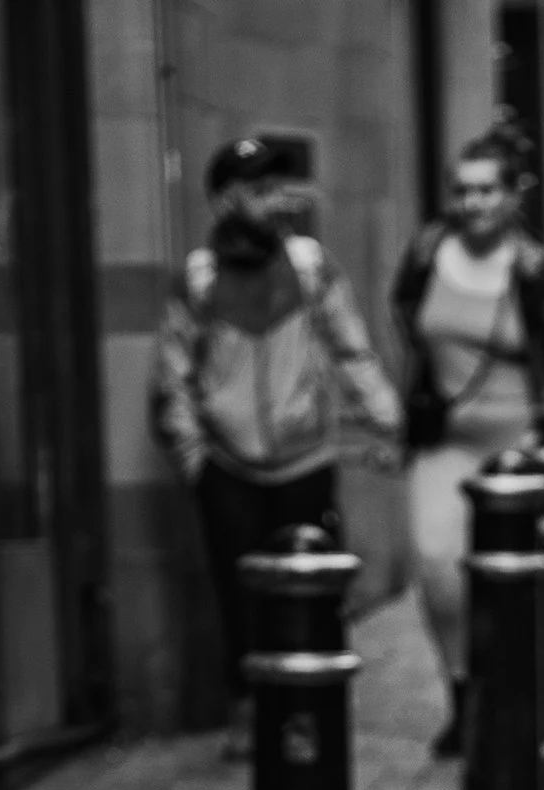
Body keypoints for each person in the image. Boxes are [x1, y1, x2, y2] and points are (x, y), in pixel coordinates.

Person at [151, 134, 401, 746]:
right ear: (225, 201)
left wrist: (388, 421)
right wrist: (195, 460)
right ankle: (249, 713)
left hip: (303, 461)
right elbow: (173, 374)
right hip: (228, 467)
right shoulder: (200, 278)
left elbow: (351, 350)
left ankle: (313, 710)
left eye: (276, 189)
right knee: (238, 594)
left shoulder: (312, 267)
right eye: (258, 191)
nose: (275, 203)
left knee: (311, 589)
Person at [390, 132, 544, 757]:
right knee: (436, 568)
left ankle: (514, 696)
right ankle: (466, 696)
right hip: (448, 444)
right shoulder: (428, 252)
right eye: (462, 190)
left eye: (487, 189)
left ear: (513, 196)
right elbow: (405, 313)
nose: (473, 202)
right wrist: (427, 388)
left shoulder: (536, 269)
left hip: (517, 451)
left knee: (515, 584)